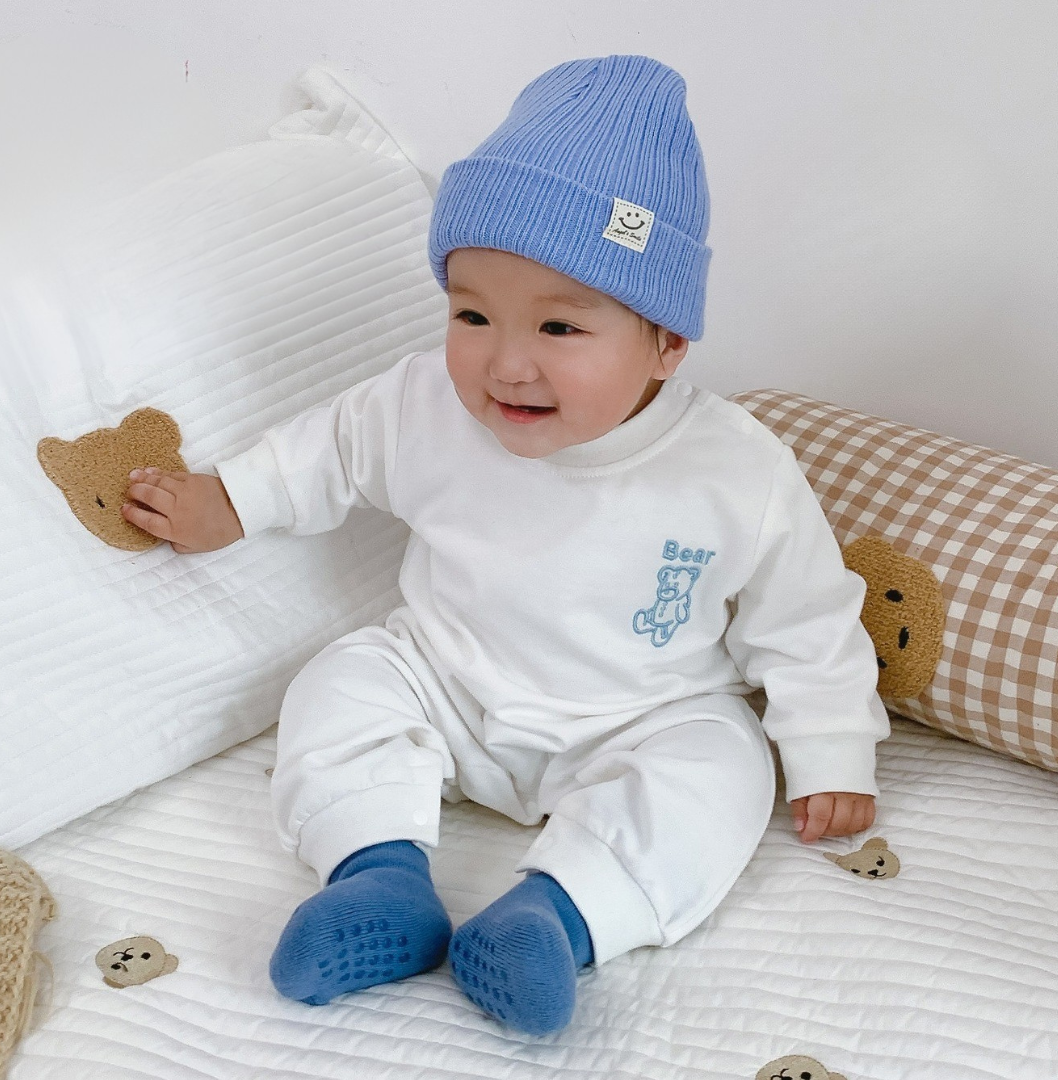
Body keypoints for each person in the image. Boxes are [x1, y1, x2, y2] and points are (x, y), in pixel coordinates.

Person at [121, 55, 889, 1036]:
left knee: (725, 769)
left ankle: (556, 918)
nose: (506, 362)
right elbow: (335, 447)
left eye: (560, 326)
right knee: (341, 682)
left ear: (667, 342)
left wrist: (831, 748)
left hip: (640, 717)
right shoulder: (424, 404)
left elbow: (807, 617)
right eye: (472, 314)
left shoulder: (734, 469)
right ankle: (377, 874)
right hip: (448, 683)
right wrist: (232, 499)